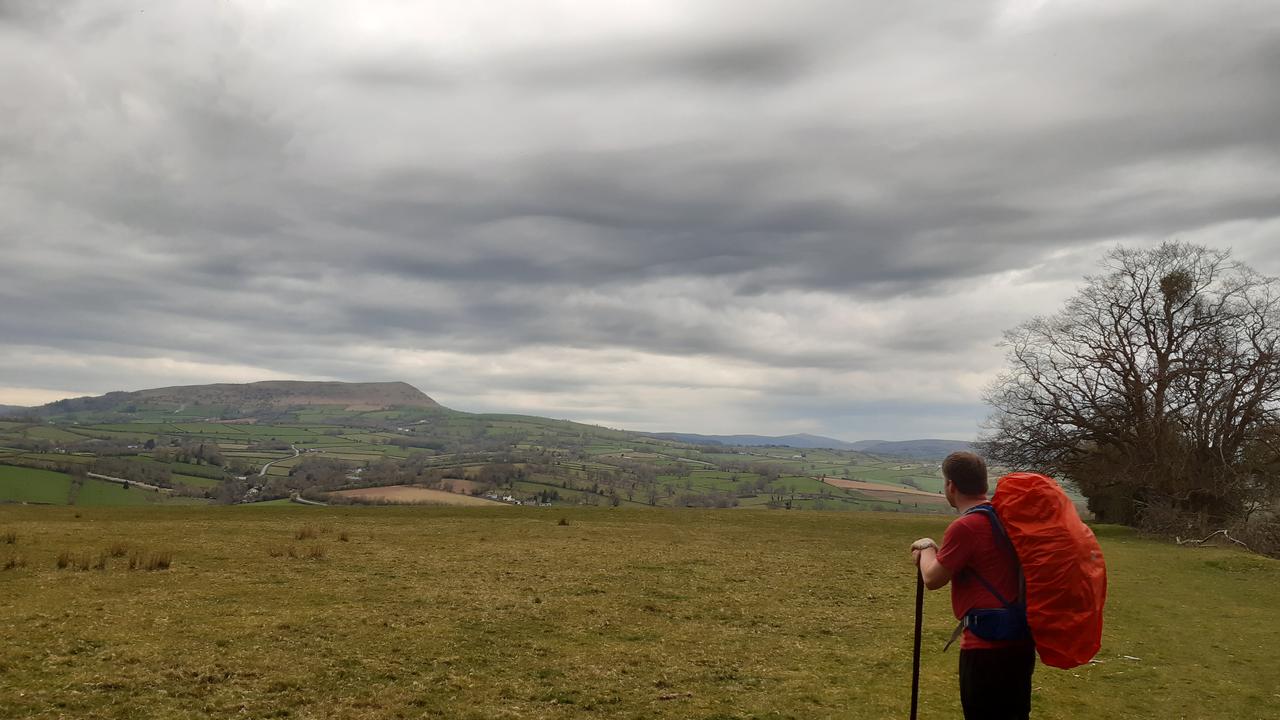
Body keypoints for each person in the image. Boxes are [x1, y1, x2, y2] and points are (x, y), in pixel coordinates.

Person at [911, 451, 1034, 720]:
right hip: (1022, 643)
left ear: (951, 486)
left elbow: (933, 578)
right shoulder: (1007, 519)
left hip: (985, 648)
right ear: (984, 484)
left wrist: (927, 547)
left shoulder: (965, 527)